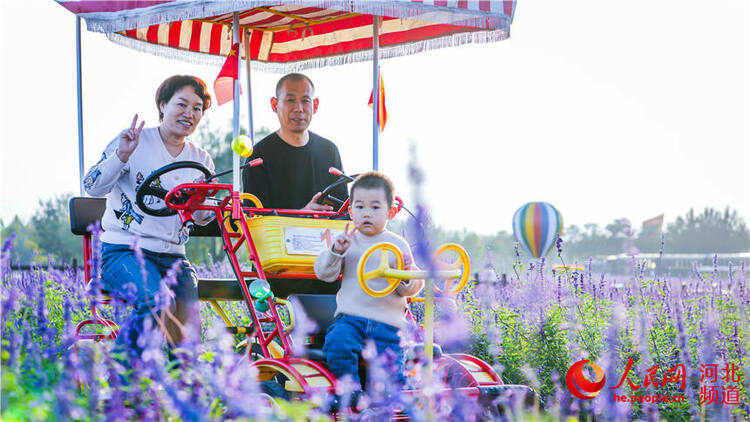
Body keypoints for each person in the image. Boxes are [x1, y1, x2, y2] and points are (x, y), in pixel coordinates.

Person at [83, 75, 215, 358]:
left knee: (188, 328)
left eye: (197, 108)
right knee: (156, 301)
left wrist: (206, 203)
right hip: (123, 251)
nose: (189, 114)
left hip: (174, 257)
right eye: (182, 104)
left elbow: (203, 218)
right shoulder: (134, 142)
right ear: (163, 105)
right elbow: (92, 187)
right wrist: (121, 155)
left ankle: (180, 388)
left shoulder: (201, 160)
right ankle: (119, 377)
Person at [314, 172, 424, 390]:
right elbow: (324, 274)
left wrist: (406, 275)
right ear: (350, 211)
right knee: (337, 344)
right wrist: (336, 251)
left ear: (390, 212)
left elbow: (411, 287)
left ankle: (392, 399)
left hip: (389, 321)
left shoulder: (397, 245)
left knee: (390, 364)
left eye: (375, 207)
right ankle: (350, 392)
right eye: (360, 207)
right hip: (351, 318)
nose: (367, 213)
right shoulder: (346, 240)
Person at [242, 73, 348, 211]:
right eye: (290, 100)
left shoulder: (329, 151)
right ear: (275, 105)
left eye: (305, 101)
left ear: (315, 105)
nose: (299, 108)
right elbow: (255, 219)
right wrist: (303, 216)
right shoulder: (258, 156)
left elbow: (343, 209)